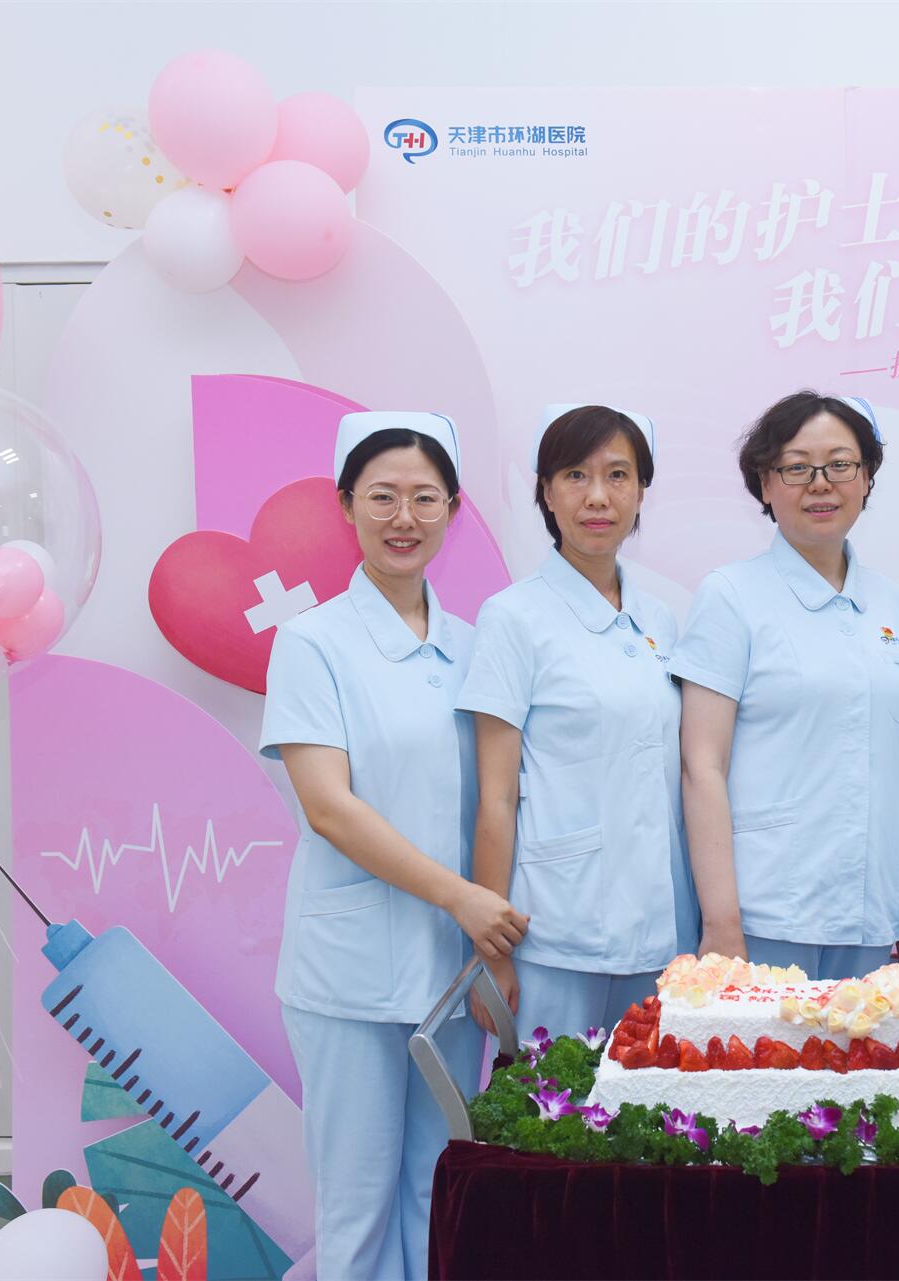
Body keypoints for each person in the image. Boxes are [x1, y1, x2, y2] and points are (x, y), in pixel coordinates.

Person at [260, 410, 528, 1281]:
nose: (403, 517)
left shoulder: (474, 646)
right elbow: (329, 808)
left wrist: (487, 940)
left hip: (451, 969)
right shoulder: (313, 642)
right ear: (346, 505)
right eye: (382, 496)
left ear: (452, 508)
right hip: (350, 974)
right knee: (360, 1204)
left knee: (436, 1192)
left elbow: (496, 800)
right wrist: (462, 898)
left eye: (424, 497)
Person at [671, 391, 899, 981]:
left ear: (866, 479)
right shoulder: (730, 596)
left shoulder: (893, 604)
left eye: (840, 464)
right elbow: (701, 765)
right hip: (766, 911)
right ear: (765, 484)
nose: (821, 484)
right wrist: (722, 921)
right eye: (797, 467)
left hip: (873, 911)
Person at [458, 404, 694, 1041]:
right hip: (554, 928)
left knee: (645, 1102)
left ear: (641, 490)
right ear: (545, 491)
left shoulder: (659, 619)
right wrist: (491, 952)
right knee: (549, 1100)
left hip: (656, 924)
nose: (598, 497)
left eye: (618, 475)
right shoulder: (513, 618)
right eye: (575, 476)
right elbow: (495, 797)